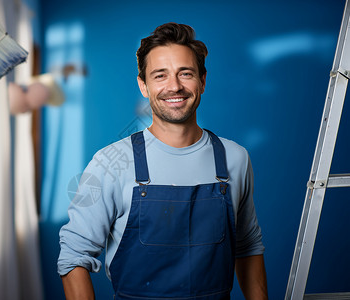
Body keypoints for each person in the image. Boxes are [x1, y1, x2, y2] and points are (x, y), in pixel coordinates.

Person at [58, 22, 268, 300]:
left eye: (186, 73)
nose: (175, 86)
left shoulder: (235, 158)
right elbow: (74, 254)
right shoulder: (111, 162)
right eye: (160, 76)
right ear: (143, 86)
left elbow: (248, 246)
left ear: (203, 81)